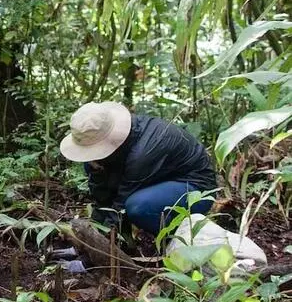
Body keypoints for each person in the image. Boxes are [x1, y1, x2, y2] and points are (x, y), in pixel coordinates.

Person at [60, 101, 217, 235]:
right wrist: (95, 227)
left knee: (137, 207)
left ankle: (178, 239)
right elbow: (103, 198)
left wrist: (104, 240)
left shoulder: (142, 154)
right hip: (157, 180)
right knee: (92, 165)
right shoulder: (123, 142)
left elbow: (121, 206)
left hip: (196, 189)